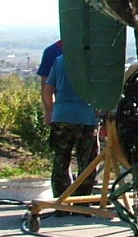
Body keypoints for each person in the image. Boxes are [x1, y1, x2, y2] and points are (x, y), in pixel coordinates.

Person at [43, 52, 100, 199]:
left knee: (60, 161)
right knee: (88, 162)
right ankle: (83, 199)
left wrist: (51, 112)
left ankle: (61, 200)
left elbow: (48, 91)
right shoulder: (93, 62)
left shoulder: (60, 60)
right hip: (86, 117)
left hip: (62, 116)